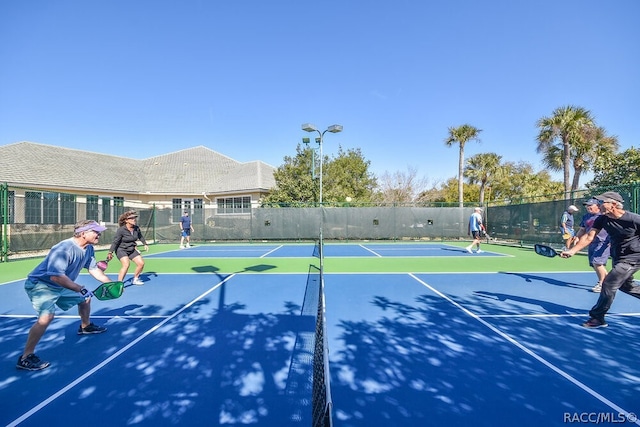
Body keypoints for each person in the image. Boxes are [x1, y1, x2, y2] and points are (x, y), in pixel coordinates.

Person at [17, 220, 111, 371]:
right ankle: (25, 357)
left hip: (60, 285)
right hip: (41, 285)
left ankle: (85, 327)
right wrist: (78, 288)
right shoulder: (63, 249)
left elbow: (93, 269)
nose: (99, 234)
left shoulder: (88, 249)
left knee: (85, 298)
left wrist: (109, 283)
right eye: (96, 231)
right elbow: (55, 277)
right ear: (83, 233)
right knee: (46, 317)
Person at [561, 191, 640, 329]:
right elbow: (589, 237)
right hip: (618, 257)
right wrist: (572, 250)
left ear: (614, 204)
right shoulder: (602, 219)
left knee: (608, 283)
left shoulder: (633, 219)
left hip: (634, 257)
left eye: (602, 202)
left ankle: (597, 317)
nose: (599, 205)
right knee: (625, 286)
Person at [572, 198, 610, 293]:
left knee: (597, 262)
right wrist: (577, 237)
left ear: (598, 206)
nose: (588, 207)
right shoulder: (586, 216)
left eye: (590, 205)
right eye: (587, 205)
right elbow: (582, 229)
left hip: (603, 242)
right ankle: (610, 282)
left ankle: (602, 284)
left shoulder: (604, 216)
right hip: (591, 242)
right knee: (594, 264)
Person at [108, 210, 149, 286]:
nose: (134, 220)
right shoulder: (121, 230)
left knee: (141, 263)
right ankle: (119, 283)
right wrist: (110, 252)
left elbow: (140, 236)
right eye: (131, 218)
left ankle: (135, 279)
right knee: (126, 264)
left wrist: (145, 244)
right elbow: (115, 241)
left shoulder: (136, 228)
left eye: (134, 218)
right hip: (121, 249)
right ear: (126, 220)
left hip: (131, 249)